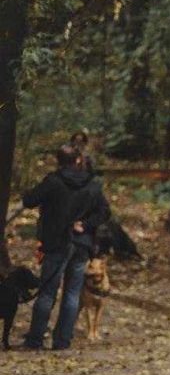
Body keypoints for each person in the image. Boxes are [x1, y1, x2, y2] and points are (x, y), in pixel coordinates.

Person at [21, 144, 110, 350]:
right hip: (81, 244)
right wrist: (85, 225)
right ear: (78, 160)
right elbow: (104, 212)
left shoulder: (53, 182)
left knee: (47, 292)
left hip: (56, 243)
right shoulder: (93, 185)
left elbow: (29, 200)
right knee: (72, 293)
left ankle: (35, 339)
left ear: (58, 160)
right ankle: (62, 340)